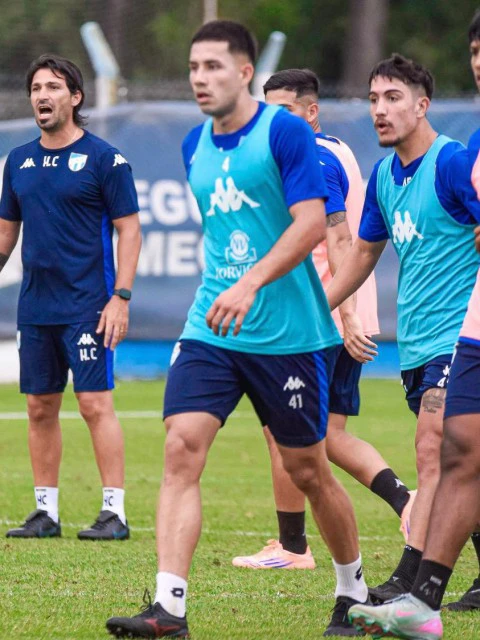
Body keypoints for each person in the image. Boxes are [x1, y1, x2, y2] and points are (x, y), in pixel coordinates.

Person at [106, 20, 369, 639]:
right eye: (194, 68)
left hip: (288, 333)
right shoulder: (193, 144)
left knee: (308, 470)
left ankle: (353, 590)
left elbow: (311, 224)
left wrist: (251, 284)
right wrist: (230, 286)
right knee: (181, 446)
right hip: (213, 326)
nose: (200, 78)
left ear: (245, 71)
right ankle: (169, 608)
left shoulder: (284, 131)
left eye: (214, 67)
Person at [231, 68, 415, 572]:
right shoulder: (334, 148)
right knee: (327, 436)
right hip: (334, 314)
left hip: (322, 319)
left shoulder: (313, 155)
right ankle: (407, 502)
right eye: (267, 111)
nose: (274, 121)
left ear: (311, 112)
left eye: (285, 111)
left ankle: (292, 547)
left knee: (285, 432)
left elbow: (340, 240)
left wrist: (345, 315)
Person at [326, 53, 480, 607]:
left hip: (459, 339)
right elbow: (363, 255)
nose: (380, 110)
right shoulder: (384, 177)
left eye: (393, 98)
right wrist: (316, 310)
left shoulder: (453, 163)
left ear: (422, 105)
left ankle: (412, 577)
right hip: (416, 345)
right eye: (373, 99)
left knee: (433, 449)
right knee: (462, 462)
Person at [0, 54, 141, 541]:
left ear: (75, 97)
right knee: (39, 406)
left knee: (94, 403)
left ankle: (114, 513)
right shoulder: (18, 161)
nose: (42, 95)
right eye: (37, 88)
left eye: (54, 87)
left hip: (89, 304)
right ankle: (45, 513)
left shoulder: (105, 159)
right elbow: (5, 237)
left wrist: (121, 297)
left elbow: (129, 230)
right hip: (36, 306)